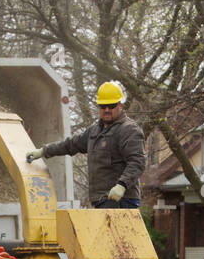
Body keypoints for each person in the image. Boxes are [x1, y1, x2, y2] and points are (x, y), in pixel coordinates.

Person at [26, 80, 146, 209]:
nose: (106, 110)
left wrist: (122, 185)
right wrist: (44, 151)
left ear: (120, 105)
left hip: (121, 200)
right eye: (102, 106)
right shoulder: (95, 130)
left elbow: (137, 161)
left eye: (111, 105)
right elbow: (71, 144)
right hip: (101, 199)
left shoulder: (129, 130)